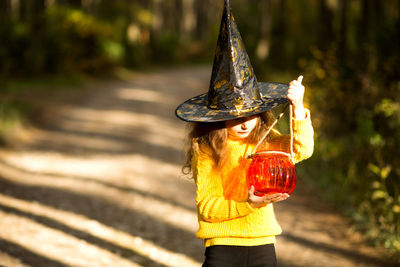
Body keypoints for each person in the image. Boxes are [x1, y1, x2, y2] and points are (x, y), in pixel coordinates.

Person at [175, 1, 314, 266]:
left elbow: (302, 149)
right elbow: (207, 207)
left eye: (250, 115)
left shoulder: (267, 143)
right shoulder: (207, 151)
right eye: (233, 117)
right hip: (223, 248)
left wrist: (298, 108)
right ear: (218, 119)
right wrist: (247, 203)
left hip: (263, 245)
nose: (243, 123)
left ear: (260, 113)